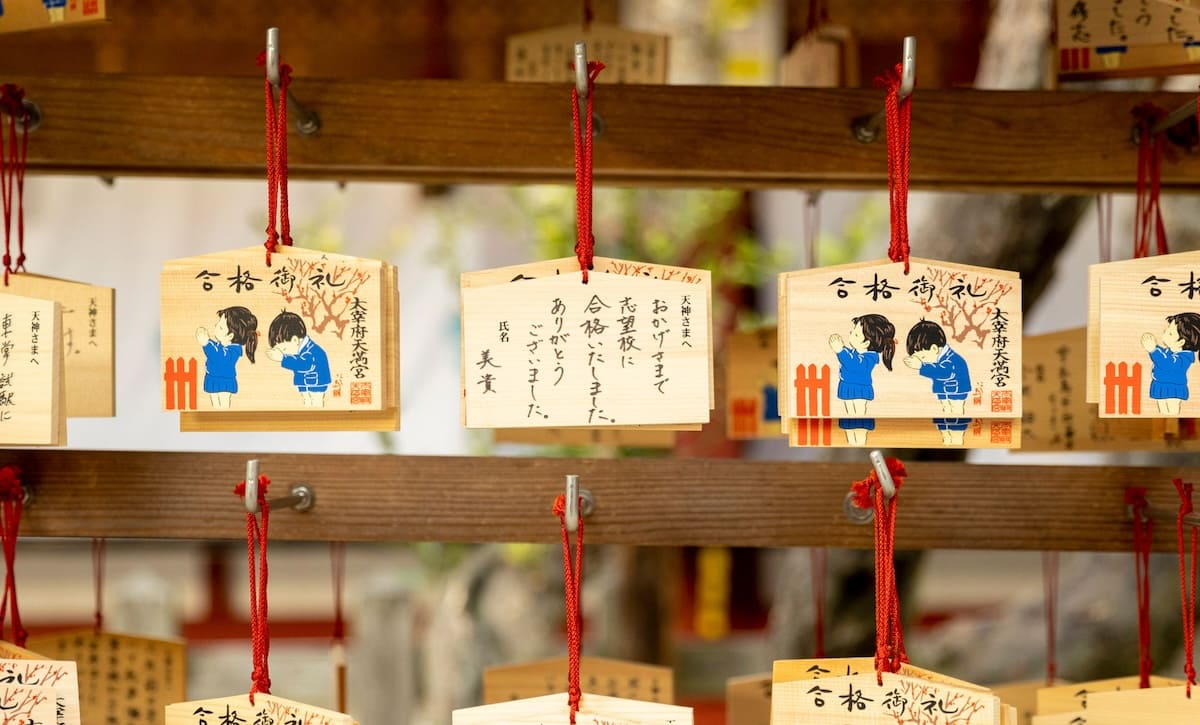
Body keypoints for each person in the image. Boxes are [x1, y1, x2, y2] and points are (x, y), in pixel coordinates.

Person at [828, 314, 895, 445]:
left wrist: (840, 351)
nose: (851, 334)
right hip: (847, 387)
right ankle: (851, 442)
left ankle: (859, 442)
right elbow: (850, 358)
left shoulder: (869, 357)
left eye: (856, 334)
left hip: (859, 389)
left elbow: (854, 365)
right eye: (852, 331)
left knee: (859, 417)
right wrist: (840, 349)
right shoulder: (854, 353)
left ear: (866, 342)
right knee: (848, 418)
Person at [903, 319, 971, 445]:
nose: (925, 361)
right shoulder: (940, 359)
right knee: (944, 415)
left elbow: (944, 373)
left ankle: (955, 439)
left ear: (934, 348)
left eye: (923, 357)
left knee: (955, 415)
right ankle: (946, 437)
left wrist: (921, 366)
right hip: (944, 393)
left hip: (955, 393)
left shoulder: (952, 359)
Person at [195, 306, 258, 409]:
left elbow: (219, 357)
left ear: (230, 336)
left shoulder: (234, 350)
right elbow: (216, 349)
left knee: (223, 405)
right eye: (217, 324)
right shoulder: (221, 345)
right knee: (214, 403)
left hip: (224, 381)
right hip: (212, 377)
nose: (215, 327)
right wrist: (205, 339)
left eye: (220, 327)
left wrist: (206, 343)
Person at [266, 311, 331, 408]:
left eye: (284, 349)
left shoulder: (311, 351)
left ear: (295, 340)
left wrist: (282, 358)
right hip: (308, 384)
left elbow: (304, 365)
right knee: (307, 403)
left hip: (315, 385)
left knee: (315, 404)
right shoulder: (303, 349)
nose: (285, 353)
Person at [1141, 312, 1200, 415]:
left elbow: (1167, 364)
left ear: (1181, 342)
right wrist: (1153, 346)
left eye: (1170, 333)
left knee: (1172, 412)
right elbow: (1164, 355)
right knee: (1162, 412)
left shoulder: (1184, 358)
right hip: (1160, 385)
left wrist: (1153, 350)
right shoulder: (1171, 351)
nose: (1165, 333)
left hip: (1173, 388)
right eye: (1167, 329)